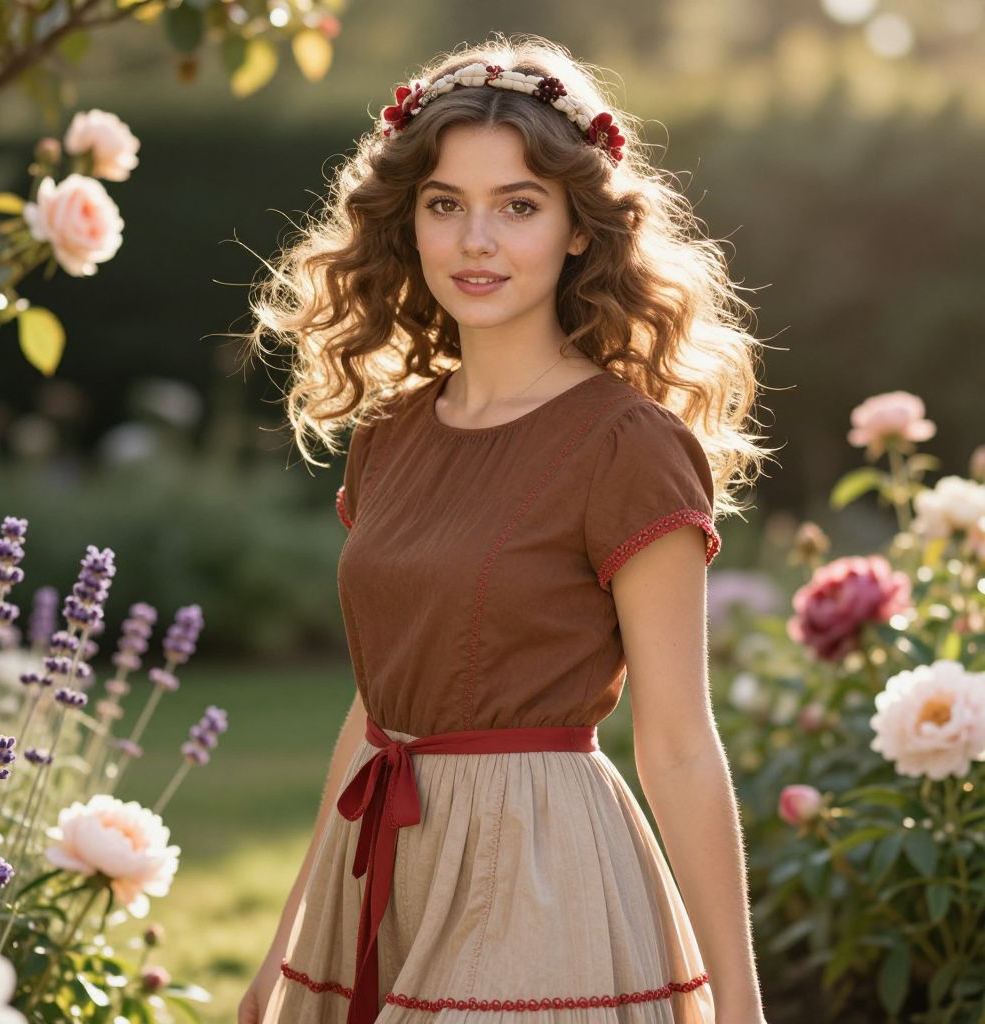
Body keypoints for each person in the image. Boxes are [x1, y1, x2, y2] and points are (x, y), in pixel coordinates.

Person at [237, 31, 774, 1024]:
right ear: (410, 222)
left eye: (518, 206)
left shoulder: (627, 445)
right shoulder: (391, 436)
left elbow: (678, 745)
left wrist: (739, 1008)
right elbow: (376, 705)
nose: (475, 241)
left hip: (539, 873)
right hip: (379, 863)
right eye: (445, 204)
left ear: (578, 230)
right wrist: (289, 945)